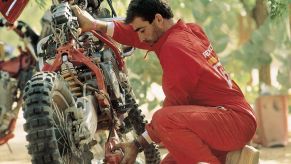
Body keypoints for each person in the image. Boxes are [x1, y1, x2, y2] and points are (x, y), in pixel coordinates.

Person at [72, 0, 258, 163]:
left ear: (159, 19)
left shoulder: (174, 48)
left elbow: (171, 110)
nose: (141, 37)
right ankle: (227, 158)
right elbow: (136, 35)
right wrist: (96, 25)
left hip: (232, 122)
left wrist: (137, 144)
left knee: (163, 119)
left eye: (142, 30)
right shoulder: (189, 30)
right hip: (226, 119)